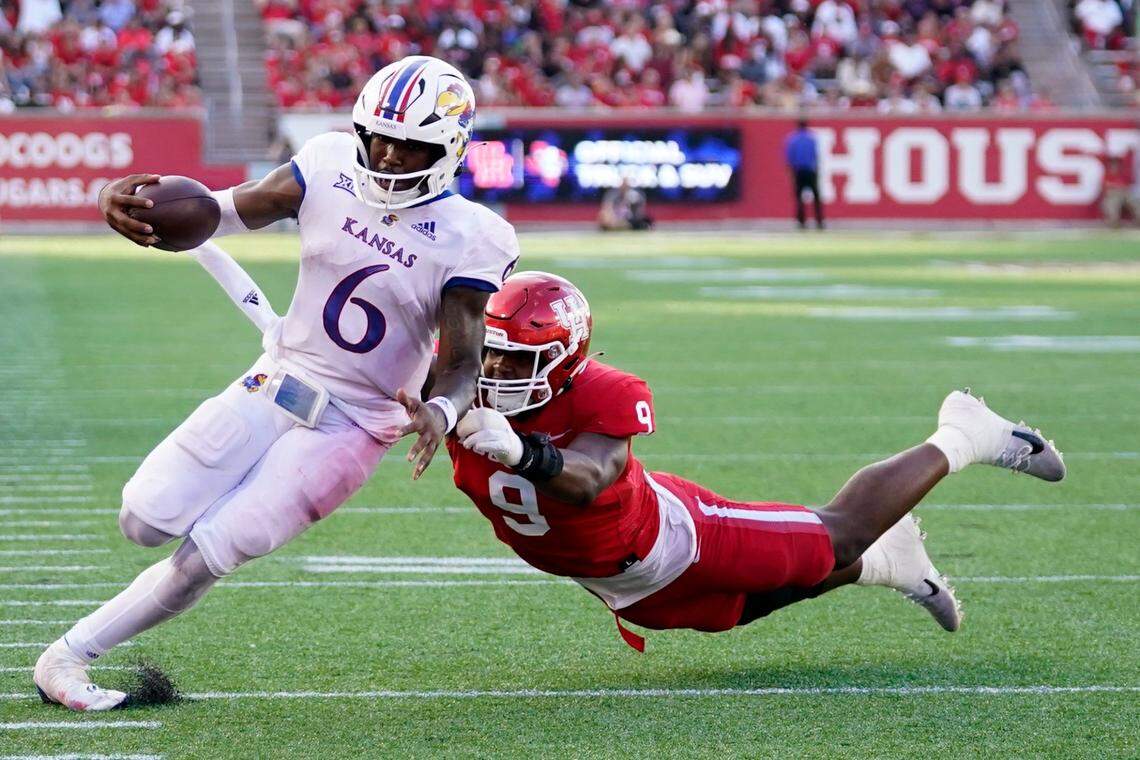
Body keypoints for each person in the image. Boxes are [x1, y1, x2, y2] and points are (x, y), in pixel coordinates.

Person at [34, 55, 520, 711]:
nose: (387, 153)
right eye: (377, 136)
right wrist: (126, 206)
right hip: (278, 378)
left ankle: (67, 656)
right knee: (144, 517)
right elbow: (217, 214)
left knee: (217, 547)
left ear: (449, 148)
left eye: (409, 145)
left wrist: (438, 409)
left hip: (354, 422)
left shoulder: (473, 236)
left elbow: (463, 360)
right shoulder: (326, 164)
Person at [446, 272, 1065, 649]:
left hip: (677, 536)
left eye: (517, 360)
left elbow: (590, 478)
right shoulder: (454, 384)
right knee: (741, 609)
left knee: (839, 534)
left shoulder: (605, 393)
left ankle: (962, 433)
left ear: (567, 359)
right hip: (617, 577)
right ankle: (889, 563)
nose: (496, 373)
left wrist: (525, 451)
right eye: (490, 356)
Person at [784, 118, 824, 230]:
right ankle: (819, 221)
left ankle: (801, 222)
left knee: (799, 198)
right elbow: (815, 156)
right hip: (810, 170)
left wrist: (791, 171)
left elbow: (789, 157)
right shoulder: (811, 139)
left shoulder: (792, 139)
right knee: (816, 197)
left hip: (798, 171)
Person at [1101, 153, 1137, 227]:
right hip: (1113, 195)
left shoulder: (1123, 174)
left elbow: (1128, 186)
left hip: (1125, 194)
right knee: (1111, 204)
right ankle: (1114, 222)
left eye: (1116, 164)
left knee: (1135, 202)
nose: (1114, 165)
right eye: (1113, 164)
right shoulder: (1107, 175)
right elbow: (1106, 187)